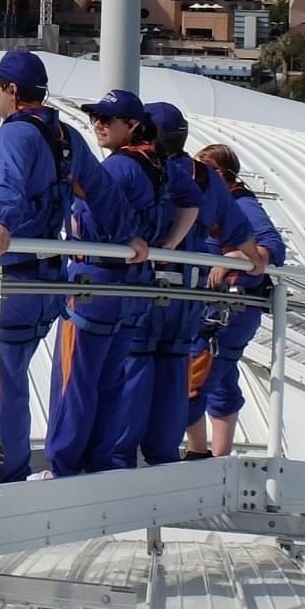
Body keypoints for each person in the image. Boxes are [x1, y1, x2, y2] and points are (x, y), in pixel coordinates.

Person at [0, 49, 92, 484]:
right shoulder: (65, 136)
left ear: (12, 91)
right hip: (47, 280)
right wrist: (129, 240)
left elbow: (6, 186)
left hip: (11, 280)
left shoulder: (14, 136)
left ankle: (1, 473)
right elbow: (99, 191)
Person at [41, 89, 158, 478]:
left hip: (94, 283)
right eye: (94, 117)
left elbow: (87, 223)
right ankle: (100, 463)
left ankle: (63, 466)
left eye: (108, 119)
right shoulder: (158, 165)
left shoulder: (116, 169)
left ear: (133, 126)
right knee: (110, 383)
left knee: (75, 381)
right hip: (132, 288)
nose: (98, 124)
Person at [107, 102, 206, 467]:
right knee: (172, 373)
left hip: (142, 287)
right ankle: (163, 460)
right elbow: (243, 230)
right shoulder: (201, 176)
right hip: (185, 295)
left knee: (133, 369)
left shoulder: (134, 167)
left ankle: (116, 460)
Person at [184, 142, 284, 459]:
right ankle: (219, 456)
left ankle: (199, 454)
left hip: (225, 311)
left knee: (190, 384)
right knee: (223, 380)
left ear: (220, 173)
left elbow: (271, 248)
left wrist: (235, 259)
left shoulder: (240, 203)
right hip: (221, 309)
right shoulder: (215, 202)